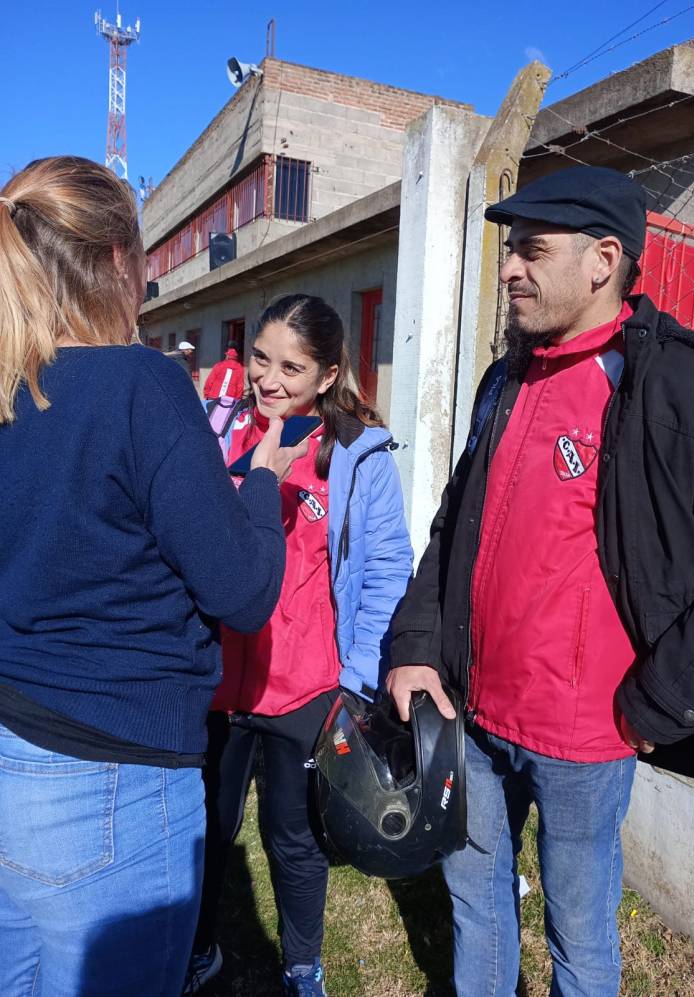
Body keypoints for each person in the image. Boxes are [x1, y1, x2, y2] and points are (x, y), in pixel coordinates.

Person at [386, 165, 694, 996]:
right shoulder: (505, 379)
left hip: (589, 739)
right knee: (477, 903)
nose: (509, 266)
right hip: (470, 716)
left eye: (531, 250)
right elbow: (453, 524)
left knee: (578, 937)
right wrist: (415, 644)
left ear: (603, 260)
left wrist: (662, 698)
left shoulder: (681, 387)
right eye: (510, 249)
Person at [0, 157, 306, 997]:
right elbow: (240, 587)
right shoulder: (141, 383)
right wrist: (261, 481)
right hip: (113, 776)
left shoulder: (10, 388)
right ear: (115, 262)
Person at [184, 294, 413, 996]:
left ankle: (302, 964)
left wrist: (357, 678)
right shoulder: (217, 436)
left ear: (327, 373)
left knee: (295, 835)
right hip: (221, 683)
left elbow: (384, 569)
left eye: (292, 365)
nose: (270, 378)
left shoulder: (355, 455)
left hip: (307, 689)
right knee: (207, 829)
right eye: (260, 358)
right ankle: (198, 950)